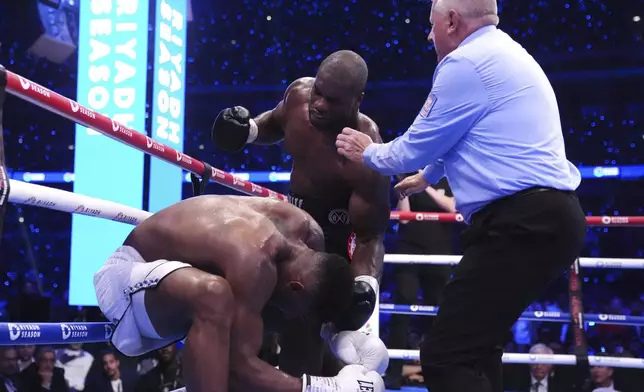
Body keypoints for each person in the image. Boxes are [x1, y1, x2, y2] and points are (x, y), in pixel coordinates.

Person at [334, 0, 587, 391]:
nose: (428, 35)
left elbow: (414, 145)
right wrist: (427, 177)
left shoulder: (464, 64)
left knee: (445, 354)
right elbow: (465, 134)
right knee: (478, 350)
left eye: (432, 25)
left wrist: (365, 151)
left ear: (451, 21)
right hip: (544, 218)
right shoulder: (505, 51)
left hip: (521, 223)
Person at [94, 195, 388, 392]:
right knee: (214, 294)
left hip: (174, 286)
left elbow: (307, 308)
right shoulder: (254, 259)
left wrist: (336, 336)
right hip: (126, 281)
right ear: (295, 287)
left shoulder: (308, 232)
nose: (290, 315)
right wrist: (326, 387)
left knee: (251, 307)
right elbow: (237, 366)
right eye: (295, 307)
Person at [210, 51, 391, 360]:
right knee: (245, 309)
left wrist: (365, 284)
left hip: (333, 243)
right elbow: (276, 122)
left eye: (332, 100)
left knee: (308, 341)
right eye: (318, 92)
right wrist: (249, 130)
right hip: (292, 225)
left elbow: (369, 237)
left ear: (356, 99)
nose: (318, 103)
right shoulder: (298, 97)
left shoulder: (365, 153)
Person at [386, 173, 454, 389]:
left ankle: (442, 373)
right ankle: (394, 374)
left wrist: (424, 185)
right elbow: (404, 216)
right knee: (402, 310)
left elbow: (453, 207)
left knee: (440, 315)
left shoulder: (448, 177)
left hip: (440, 254)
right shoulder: (408, 179)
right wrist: (403, 188)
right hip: (410, 250)